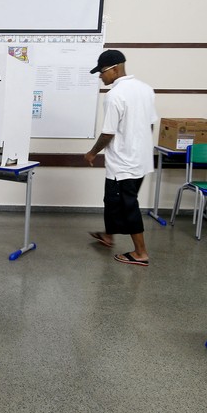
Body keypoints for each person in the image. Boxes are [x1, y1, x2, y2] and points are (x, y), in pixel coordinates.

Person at [84, 50, 158, 267]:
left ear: (115, 68)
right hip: (141, 160)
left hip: (123, 164)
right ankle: (108, 236)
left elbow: (108, 133)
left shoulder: (114, 95)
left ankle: (141, 252)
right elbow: (150, 123)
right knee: (112, 201)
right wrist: (139, 143)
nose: (100, 77)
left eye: (102, 72)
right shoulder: (146, 89)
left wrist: (91, 153)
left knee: (127, 205)